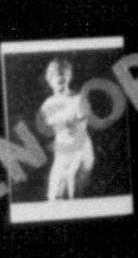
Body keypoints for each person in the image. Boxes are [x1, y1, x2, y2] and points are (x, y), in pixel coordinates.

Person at [38, 56, 95, 203]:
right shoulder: (47, 105)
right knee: (54, 197)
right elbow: (54, 131)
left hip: (80, 150)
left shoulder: (78, 99)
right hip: (62, 153)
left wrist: (74, 161)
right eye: (56, 74)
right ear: (49, 79)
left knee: (73, 190)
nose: (60, 78)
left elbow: (81, 130)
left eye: (63, 74)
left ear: (69, 76)